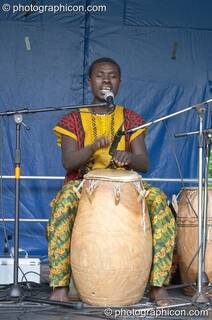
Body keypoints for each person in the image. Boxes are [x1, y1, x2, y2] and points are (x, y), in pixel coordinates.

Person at [47, 57, 176, 306]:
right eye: (100, 75)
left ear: (119, 82)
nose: (106, 80)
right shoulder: (72, 120)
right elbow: (69, 162)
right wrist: (93, 147)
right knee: (62, 203)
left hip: (126, 187)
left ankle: (158, 286)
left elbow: (144, 163)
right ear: (89, 81)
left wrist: (130, 156)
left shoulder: (131, 119)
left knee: (159, 201)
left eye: (113, 75)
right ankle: (60, 286)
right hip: (82, 186)